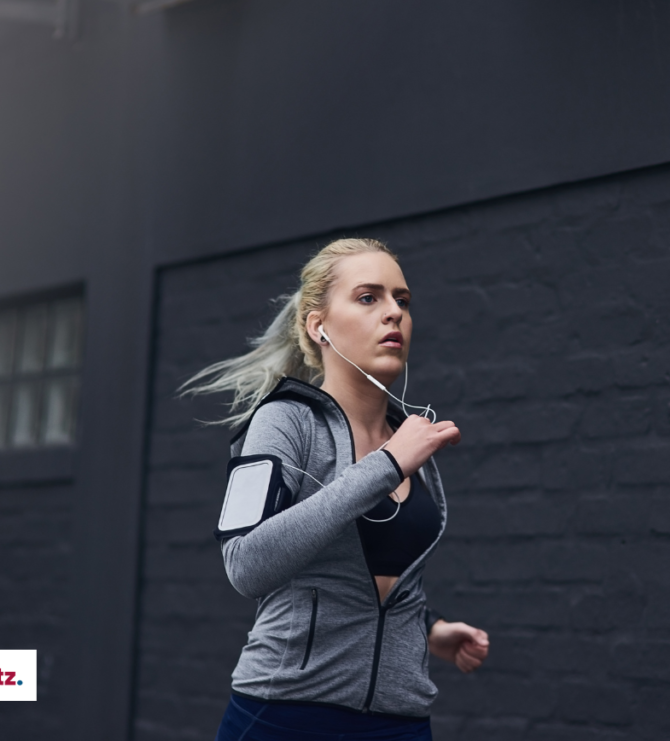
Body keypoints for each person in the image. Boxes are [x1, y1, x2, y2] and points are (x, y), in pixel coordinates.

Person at [182, 238, 489, 740]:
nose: (393, 313)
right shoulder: (282, 422)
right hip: (285, 713)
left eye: (402, 300)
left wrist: (430, 628)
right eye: (369, 297)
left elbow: (373, 574)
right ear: (318, 325)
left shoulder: (408, 435)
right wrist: (386, 466)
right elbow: (244, 564)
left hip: (401, 719)